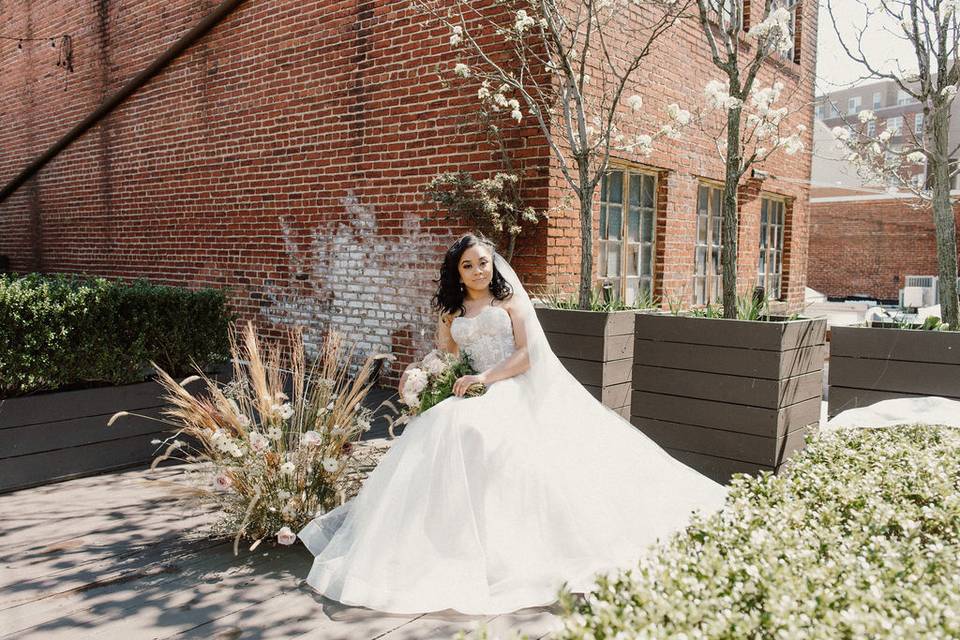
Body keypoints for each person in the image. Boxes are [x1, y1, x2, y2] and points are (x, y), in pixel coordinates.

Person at [297, 233, 728, 615]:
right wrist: (432, 372)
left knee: (475, 432)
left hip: (509, 383)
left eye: (483, 261)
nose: (478, 270)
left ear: (493, 263)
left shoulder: (510, 301)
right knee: (438, 427)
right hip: (468, 387)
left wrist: (485, 378)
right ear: (457, 272)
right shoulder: (454, 309)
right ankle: (444, 541)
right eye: (468, 265)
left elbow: (526, 355)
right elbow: (448, 355)